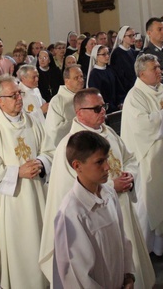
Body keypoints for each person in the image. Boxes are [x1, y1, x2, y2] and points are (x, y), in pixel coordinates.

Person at [39, 88, 155, 288]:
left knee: (125, 251)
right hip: (91, 221)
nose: (103, 111)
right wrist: (111, 185)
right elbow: (68, 189)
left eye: (104, 107)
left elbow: (129, 158)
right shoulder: (69, 146)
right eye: (96, 108)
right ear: (79, 113)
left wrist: (129, 175)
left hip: (120, 206)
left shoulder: (108, 132)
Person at [0, 75, 52, 289]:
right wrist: (17, 172)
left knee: (40, 244)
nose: (18, 98)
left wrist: (41, 162)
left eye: (19, 93)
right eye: (12, 95)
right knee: (18, 253)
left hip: (37, 196)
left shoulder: (33, 120)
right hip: (9, 202)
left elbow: (50, 150)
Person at [121, 54, 163, 256]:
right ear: (142, 74)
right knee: (149, 201)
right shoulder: (135, 96)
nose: (159, 70)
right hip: (150, 157)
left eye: (159, 67)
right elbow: (141, 125)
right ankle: (145, 248)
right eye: (154, 68)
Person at [53, 131, 136, 289]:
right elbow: (77, 275)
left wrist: (128, 275)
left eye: (106, 160)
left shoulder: (109, 194)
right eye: (99, 162)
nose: (107, 167)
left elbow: (122, 240)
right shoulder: (71, 213)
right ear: (77, 166)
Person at [44, 65, 84, 150]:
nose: (81, 80)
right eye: (76, 78)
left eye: (81, 76)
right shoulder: (57, 101)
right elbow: (55, 131)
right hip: (68, 148)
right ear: (67, 81)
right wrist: (81, 120)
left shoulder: (86, 96)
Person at [86, 45, 121, 112]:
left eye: (108, 53)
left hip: (115, 107)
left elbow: (118, 87)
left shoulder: (110, 70)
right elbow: (96, 94)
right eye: (104, 54)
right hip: (105, 109)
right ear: (96, 56)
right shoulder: (94, 74)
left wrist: (120, 102)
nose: (107, 56)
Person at [109, 26, 139, 103]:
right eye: (130, 36)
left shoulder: (133, 52)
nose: (133, 38)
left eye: (134, 35)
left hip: (136, 87)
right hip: (124, 90)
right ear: (123, 37)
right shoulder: (117, 54)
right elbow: (118, 77)